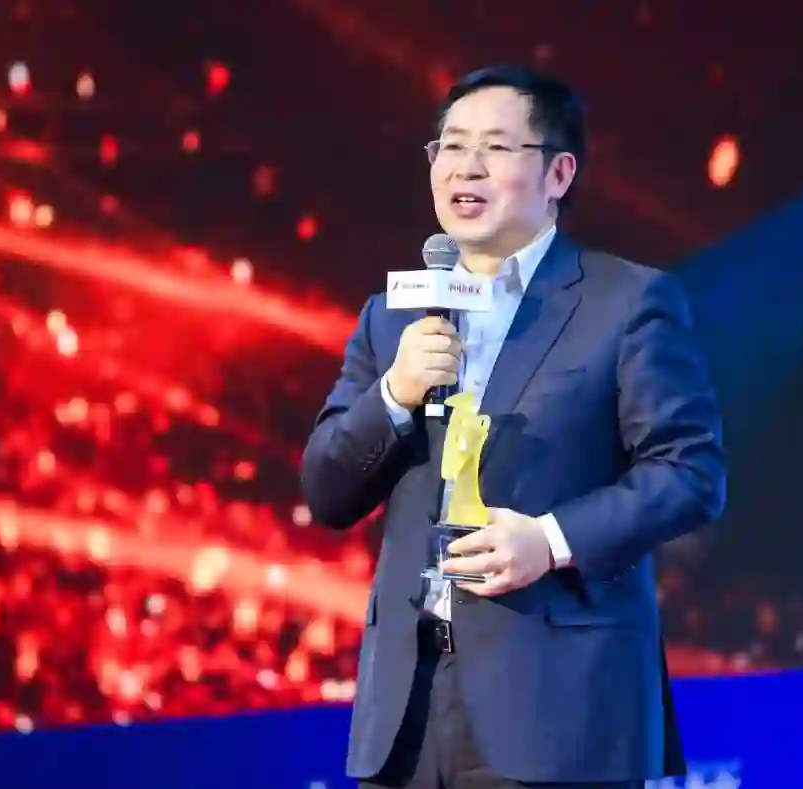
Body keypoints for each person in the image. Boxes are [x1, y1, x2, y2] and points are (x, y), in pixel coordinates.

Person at [300, 65, 726, 789]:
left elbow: (690, 474)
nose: (465, 166)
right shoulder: (392, 317)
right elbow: (327, 490)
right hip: (407, 713)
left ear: (558, 173)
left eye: (495, 147)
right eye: (450, 146)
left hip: (558, 707)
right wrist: (395, 393)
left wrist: (550, 541)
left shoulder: (627, 301)